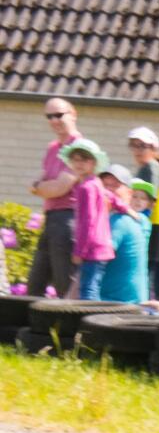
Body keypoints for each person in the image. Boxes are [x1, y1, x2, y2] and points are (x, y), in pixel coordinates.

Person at [27, 98, 83, 298]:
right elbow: (41, 181)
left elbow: (60, 187)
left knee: (64, 285)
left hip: (68, 219)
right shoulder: (53, 148)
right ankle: (34, 330)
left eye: (59, 115)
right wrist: (41, 186)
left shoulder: (79, 147)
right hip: (51, 218)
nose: (54, 120)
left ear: (73, 114)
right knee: (34, 285)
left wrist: (37, 187)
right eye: (49, 116)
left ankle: (70, 329)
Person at [60, 139, 115, 300]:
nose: (79, 163)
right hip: (100, 245)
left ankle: (91, 322)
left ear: (94, 162)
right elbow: (112, 197)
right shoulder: (96, 183)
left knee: (88, 290)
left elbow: (88, 221)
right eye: (75, 159)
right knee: (92, 285)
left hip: (92, 248)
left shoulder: (86, 187)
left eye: (84, 159)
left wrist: (79, 251)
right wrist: (127, 209)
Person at [126, 126, 159, 299]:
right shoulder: (146, 167)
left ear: (153, 149)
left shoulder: (151, 167)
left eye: (142, 146)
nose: (137, 150)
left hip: (151, 225)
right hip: (151, 224)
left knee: (145, 273)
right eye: (134, 145)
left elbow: (147, 199)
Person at [99, 168, 152, 304]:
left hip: (118, 303)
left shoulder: (120, 221)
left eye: (115, 186)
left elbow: (99, 256)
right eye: (105, 185)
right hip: (132, 301)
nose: (108, 191)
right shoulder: (118, 218)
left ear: (128, 193)